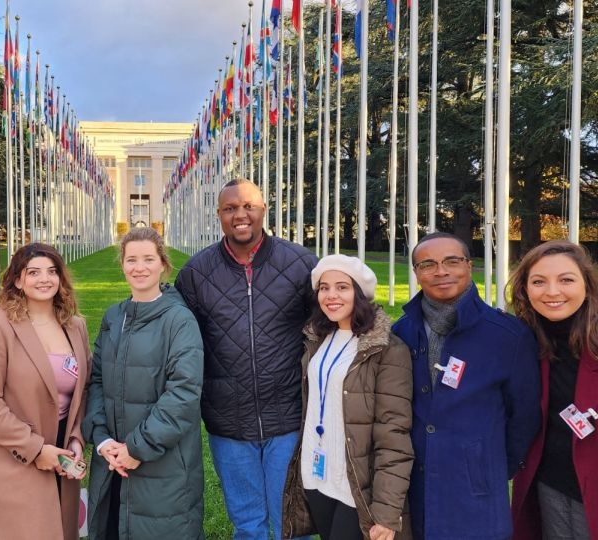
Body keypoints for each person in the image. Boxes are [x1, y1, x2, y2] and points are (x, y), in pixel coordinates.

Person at [175, 178, 317, 540]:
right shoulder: (195, 273)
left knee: (291, 524)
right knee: (248, 525)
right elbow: (180, 344)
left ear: (263, 210)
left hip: (289, 416)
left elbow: (328, 327)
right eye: (230, 208)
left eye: (248, 206)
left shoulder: (301, 263)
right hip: (228, 421)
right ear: (220, 215)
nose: (240, 215)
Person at [391, 231, 541, 540]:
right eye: (428, 264)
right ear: (417, 273)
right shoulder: (402, 331)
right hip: (414, 486)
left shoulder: (508, 335)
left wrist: (488, 466)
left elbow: (524, 416)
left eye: (451, 261)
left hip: (476, 491)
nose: (441, 271)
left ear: (468, 266)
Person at [82, 227, 204, 539]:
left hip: (161, 464)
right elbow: (96, 380)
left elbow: (184, 393)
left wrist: (137, 448)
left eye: (148, 259)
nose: (139, 267)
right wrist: (103, 439)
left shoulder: (179, 320)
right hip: (112, 463)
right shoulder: (113, 316)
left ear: (163, 264)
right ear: (122, 264)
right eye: (132, 259)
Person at [0, 243, 91, 540]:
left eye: (52, 271)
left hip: (64, 456)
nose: (44, 279)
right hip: (14, 456)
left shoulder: (75, 326)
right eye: (33, 272)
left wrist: (76, 438)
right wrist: (35, 449)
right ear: (18, 281)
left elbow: (84, 389)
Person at [283, 255, 414, 540]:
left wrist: (388, 511)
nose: (331, 296)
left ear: (360, 292)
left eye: (342, 287)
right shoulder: (317, 338)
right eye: (324, 288)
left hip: (355, 484)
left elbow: (394, 434)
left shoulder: (387, 350)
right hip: (316, 475)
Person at [508, 240, 598, 540]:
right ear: (525, 289)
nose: (552, 292)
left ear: (587, 285)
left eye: (566, 280)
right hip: (549, 482)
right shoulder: (526, 341)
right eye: (538, 282)